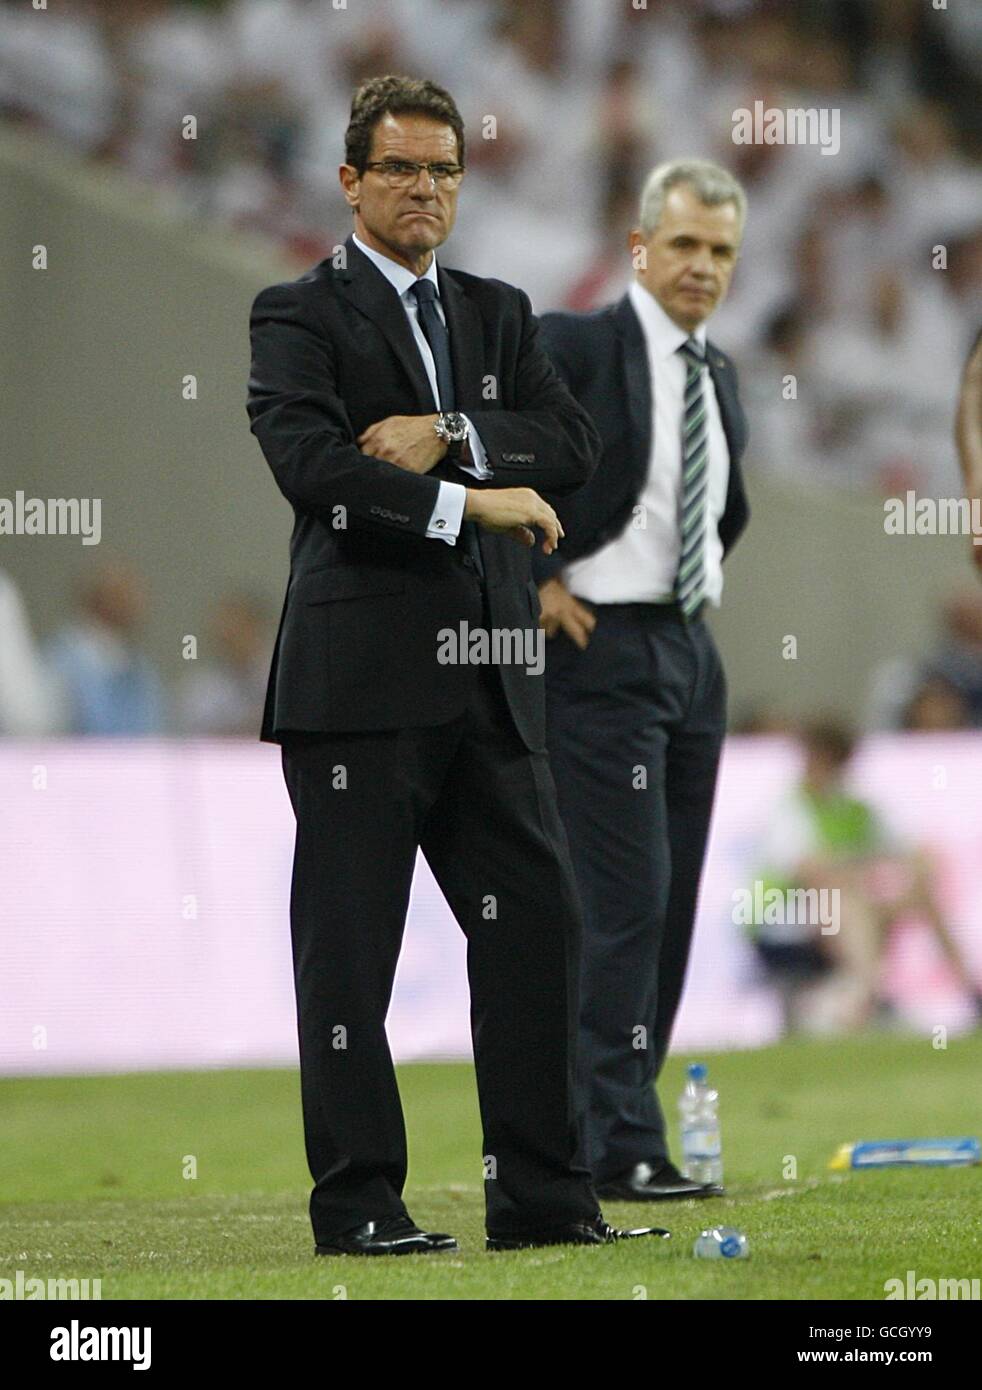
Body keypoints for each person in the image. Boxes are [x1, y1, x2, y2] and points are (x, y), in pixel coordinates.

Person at [246, 75, 668, 1256]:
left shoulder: (494, 311)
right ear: (349, 180)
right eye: (398, 169)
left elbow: (570, 443)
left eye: (440, 171)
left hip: (489, 685)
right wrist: (471, 509)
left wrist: (456, 437)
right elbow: (314, 467)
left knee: (539, 930)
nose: (422, 189)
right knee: (350, 960)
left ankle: (540, 1200)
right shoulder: (296, 313)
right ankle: (361, 1205)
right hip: (360, 693)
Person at [532, 159, 751, 1202]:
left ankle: (614, 1120)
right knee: (622, 902)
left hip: (687, 652)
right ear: (638, 248)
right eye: (683, 245)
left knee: (664, 908)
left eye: (718, 251)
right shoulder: (574, 343)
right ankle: (612, 1138)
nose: (701, 266)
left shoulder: (722, 376)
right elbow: (483, 450)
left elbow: (724, 507)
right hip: (598, 648)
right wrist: (531, 575)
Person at [749, 720, 982, 1033]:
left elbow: (918, 854)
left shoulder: (857, 810)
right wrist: (867, 868)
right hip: (783, 921)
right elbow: (812, 871)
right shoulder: (789, 808)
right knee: (839, 895)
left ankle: (967, 988)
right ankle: (867, 993)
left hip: (842, 913)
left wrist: (912, 870)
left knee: (914, 896)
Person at [45, 559, 166, 735]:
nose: (136, 600)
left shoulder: (140, 668)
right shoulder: (59, 662)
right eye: (123, 591)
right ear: (96, 597)